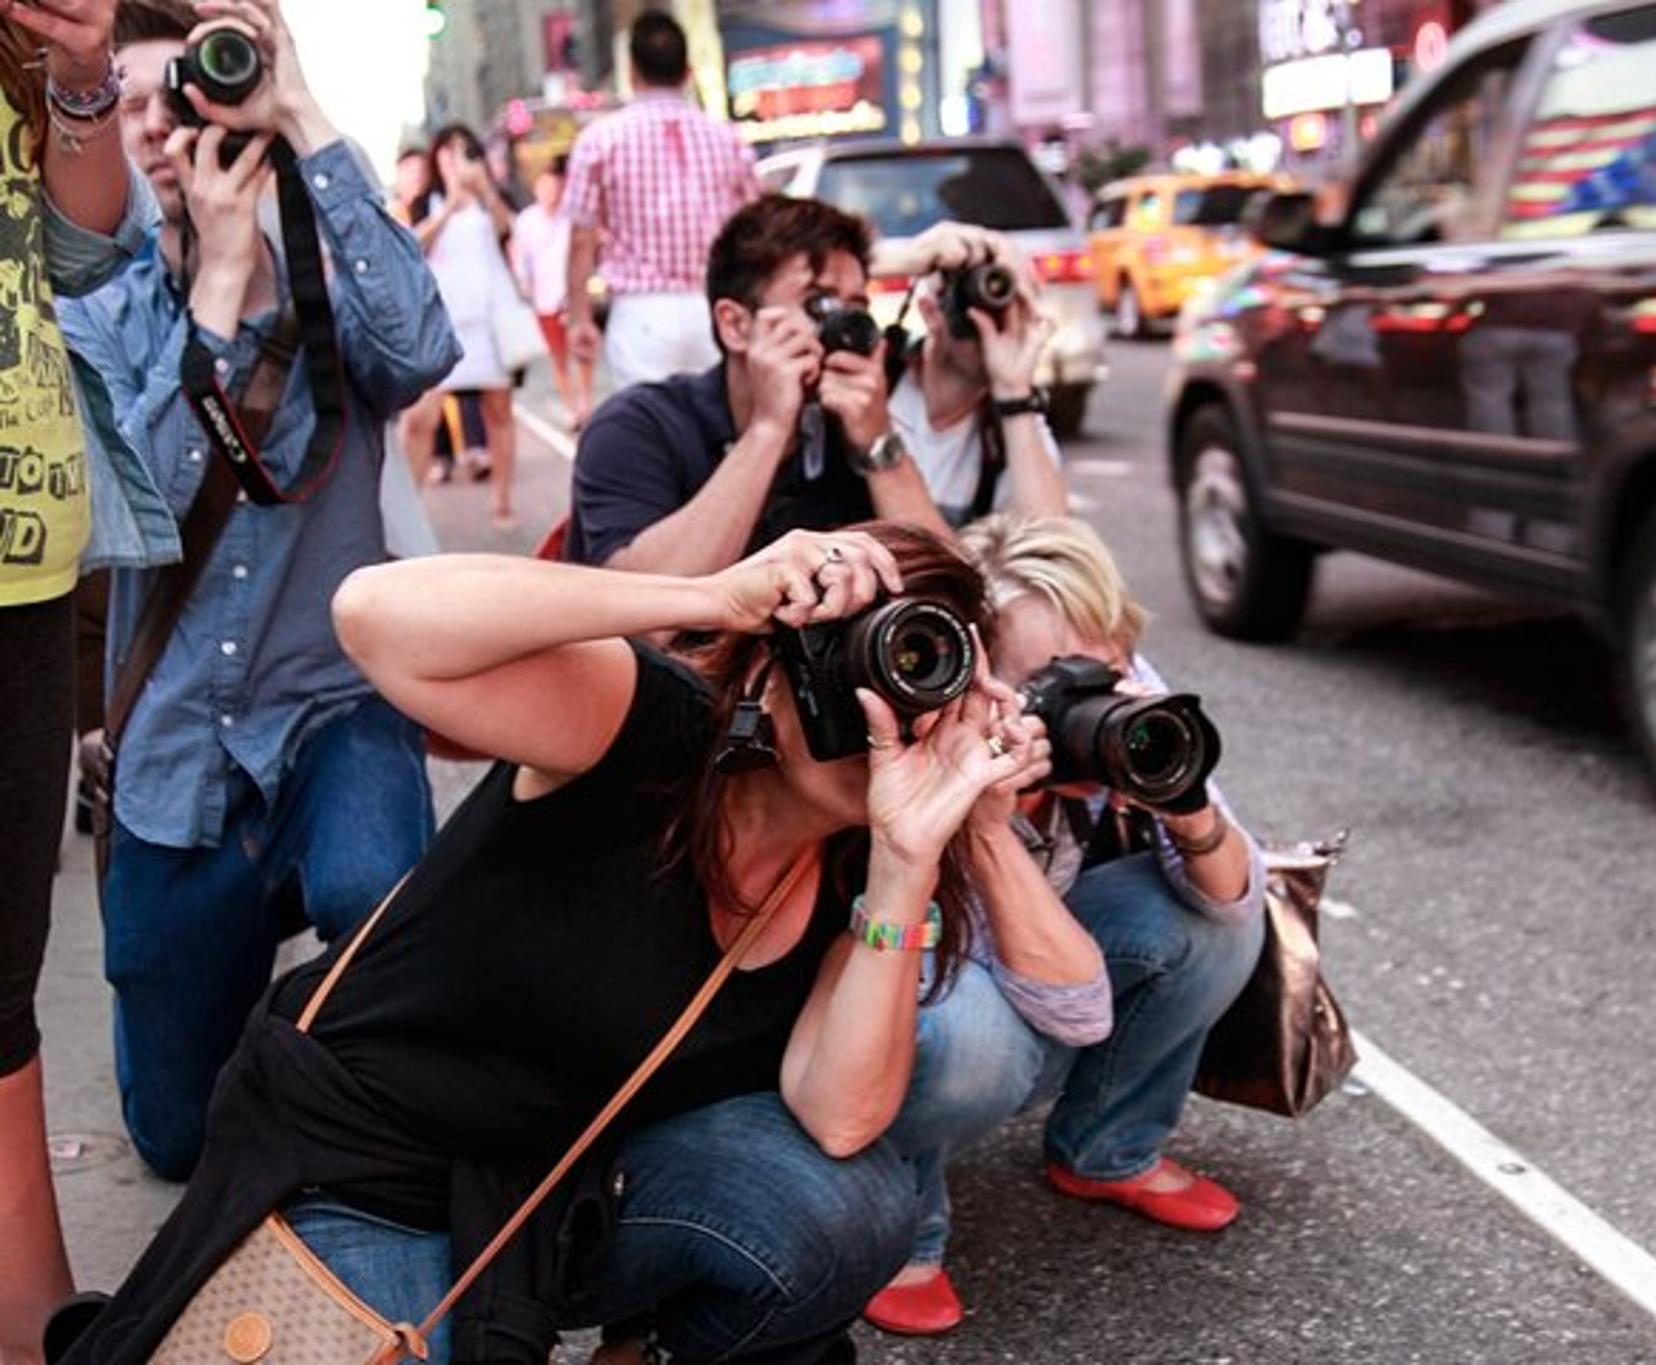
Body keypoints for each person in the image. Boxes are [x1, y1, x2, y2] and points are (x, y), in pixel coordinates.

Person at [60, 523, 1052, 1365]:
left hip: (548, 1191)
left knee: (852, 1206)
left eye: (925, 677)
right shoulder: (650, 729)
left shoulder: (862, 859)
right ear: (778, 655)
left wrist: (906, 858)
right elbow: (375, 615)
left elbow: (840, 1122)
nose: (887, 707)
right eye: (856, 653)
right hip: (366, 1168)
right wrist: (710, 592)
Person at [58, 0, 458, 1184]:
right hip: (181, 753)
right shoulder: (98, 305)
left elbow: (425, 349)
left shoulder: (329, 285)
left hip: (332, 709)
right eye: (127, 106)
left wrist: (302, 112)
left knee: (372, 886)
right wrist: (219, 290)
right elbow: (141, 514)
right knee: (176, 1136)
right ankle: (252, 994)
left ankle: (362, 1076)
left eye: (179, 98)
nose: (158, 130)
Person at [864, 515, 1266, 1338]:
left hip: (1037, 971)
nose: (1096, 705)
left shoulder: (1132, 694)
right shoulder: (934, 750)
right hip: (925, 989)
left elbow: (1234, 897)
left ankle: (1104, 1149)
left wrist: (1180, 803)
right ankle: (899, 1225)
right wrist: (994, 818)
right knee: (968, 1033)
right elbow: (1063, 1001)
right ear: (978, 688)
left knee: (1212, 925)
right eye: (1057, 686)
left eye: (1105, 669)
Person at [0, 0, 153, 1352]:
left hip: (24, 539)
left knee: (5, 967)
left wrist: (85, 72)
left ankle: (33, 1315)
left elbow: (87, 241)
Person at [564, 194, 951, 573]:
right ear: (735, 325)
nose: (843, 330)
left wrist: (878, 442)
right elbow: (646, 618)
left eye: (856, 309)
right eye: (820, 305)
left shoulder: (847, 432)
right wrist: (769, 429)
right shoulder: (635, 427)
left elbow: (954, 592)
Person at [562, 9, 758, 387]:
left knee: (648, 436)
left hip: (641, 315)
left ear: (632, 73)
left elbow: (581, 237)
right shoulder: (728, 139)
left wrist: (579, 317)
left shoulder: (600, 141)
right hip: (715, 309)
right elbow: (754, 229)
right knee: (718, 435)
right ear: (688, 71)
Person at [397, 123, 519, 525]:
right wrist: (448, 205)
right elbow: (412, 247)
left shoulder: (488, 201)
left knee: (499, 412)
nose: (456, 159)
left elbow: (508, 231)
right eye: (447, 152)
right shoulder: (425, 202)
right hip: (441, 325)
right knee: (420, 419)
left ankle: (501, 502)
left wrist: (484, 191)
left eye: (464, 150)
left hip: (488, 322)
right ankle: (407, 505)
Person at [888, 261, 1068, 529]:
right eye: (972, 297)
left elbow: (1047, 546)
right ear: (931, 312)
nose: (991, 316)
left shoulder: (1008, 423)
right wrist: (904, 258)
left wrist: (1014, 392)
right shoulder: (877, 392)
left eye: (1004, 299)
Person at [509, 152, 592, 429]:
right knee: (559, 357)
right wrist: (525, 286)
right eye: (545, 188)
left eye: (555, 188)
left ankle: (586, 404)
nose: (551, 194)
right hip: (544, 299)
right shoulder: (526, 221)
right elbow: (521, 259)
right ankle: (571, 408)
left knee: (583, 351)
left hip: (573, 296)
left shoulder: (572, 218)